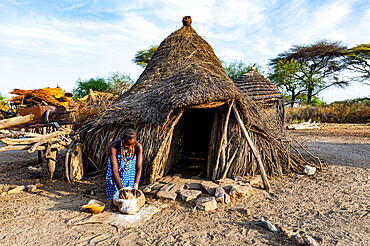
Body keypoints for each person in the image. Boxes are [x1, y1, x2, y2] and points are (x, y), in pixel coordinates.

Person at [106, 129, 143, 201]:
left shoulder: (138, 146)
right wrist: (121, 189)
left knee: (129, 197)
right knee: (116, 198)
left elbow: (139, 168)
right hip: (116, 176)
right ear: (122, 139)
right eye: (127, 144)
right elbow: (115, 170)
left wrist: (136, 186)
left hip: (129, 175)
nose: (130, 147)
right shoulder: (114, 146)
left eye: (132, 145)